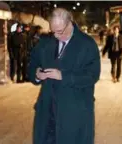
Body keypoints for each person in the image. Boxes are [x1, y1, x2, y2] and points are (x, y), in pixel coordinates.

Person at [28, 8, 100, 144]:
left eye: (59, 31)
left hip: (74, 113)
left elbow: (92, 75)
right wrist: (36, 74)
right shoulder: (46, 43)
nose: (55, 35)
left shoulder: (87, 44)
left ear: (69, 23)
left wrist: (63, 76)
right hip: (47, 112)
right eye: (53, 31)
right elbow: (32, 64)